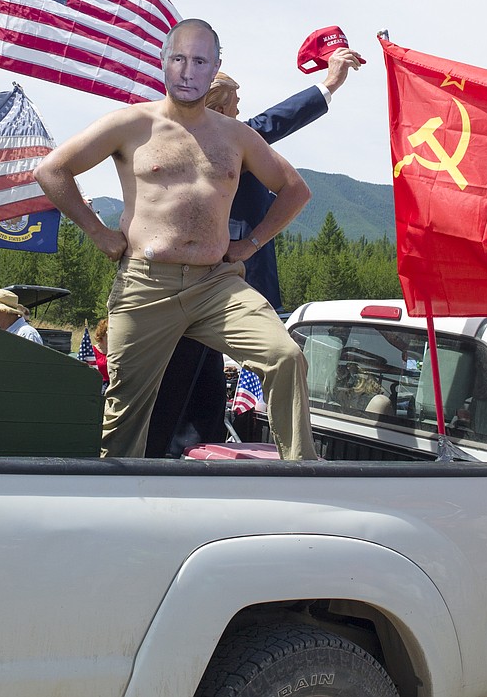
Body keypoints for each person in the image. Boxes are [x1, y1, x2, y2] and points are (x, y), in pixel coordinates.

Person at [34, 17, 316, 460]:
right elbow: (51, 170)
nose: (188, 71)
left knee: (284, 356)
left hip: (216, 284)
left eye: (200, 61)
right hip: (146, 285)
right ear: (163, 63)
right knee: (127, 415)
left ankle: (303, 477)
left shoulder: (237, 137)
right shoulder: (130, 124)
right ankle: (116, 508)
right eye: (179, 59)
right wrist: (98, 232)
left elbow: (295, 189)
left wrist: (250, 245)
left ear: (215, 67)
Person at [146, 47, 363, 456]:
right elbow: (274, 122)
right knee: (184, 376)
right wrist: (329, 84)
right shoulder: (217, 143)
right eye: (235, 100)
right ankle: (166, 459)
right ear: (218, 106)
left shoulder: (198, 143)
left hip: (207, 275)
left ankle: (191, 452)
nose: (242, 107)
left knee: (201, 376)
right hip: (214, 273)